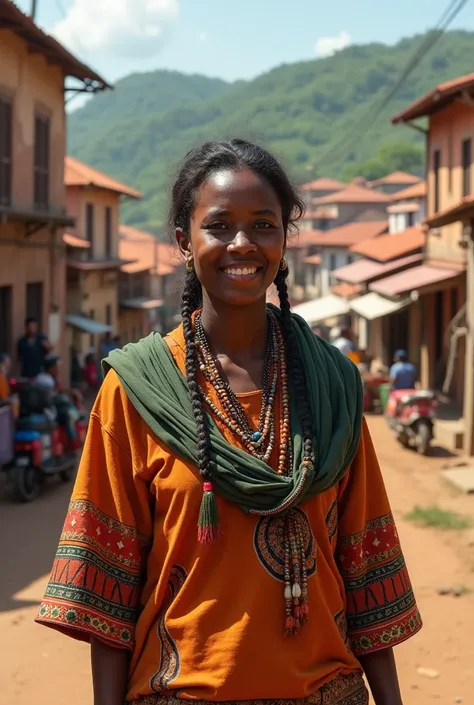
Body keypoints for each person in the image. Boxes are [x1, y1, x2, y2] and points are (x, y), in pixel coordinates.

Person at [36, 140, 421, 705]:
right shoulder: (137, 390)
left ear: (285, 238)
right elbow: (108, 594)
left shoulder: (330, 383)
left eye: (263, 224)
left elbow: (365, 563)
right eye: (219, 225)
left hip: (326, 692)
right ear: (183, 242)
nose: (242, 244)